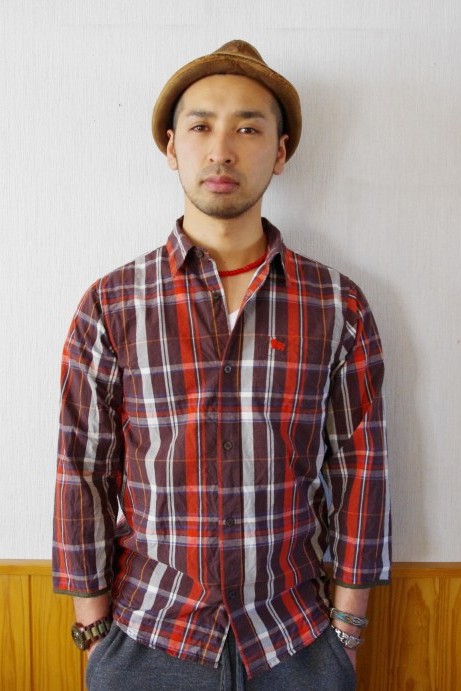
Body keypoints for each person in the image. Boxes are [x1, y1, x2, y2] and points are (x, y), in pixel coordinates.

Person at [52, 40, 391, 691]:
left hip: (296, 638)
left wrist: (346, 631)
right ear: (171, 147)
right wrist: (94, 633)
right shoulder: (112, 305)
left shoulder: (336, 305)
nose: (221, 150)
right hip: (148, 636)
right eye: (201, 126)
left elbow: (360, 470)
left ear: (280, 153)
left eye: (247, 128)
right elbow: (82, 470)